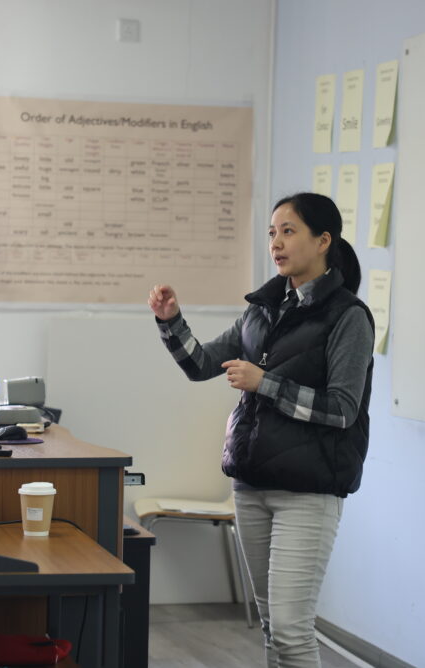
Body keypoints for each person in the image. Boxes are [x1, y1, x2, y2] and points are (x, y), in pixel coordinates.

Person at [148, 192, 375, 668]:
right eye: (272, 232)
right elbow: (202, 364)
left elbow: (342, 410)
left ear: (323, 241)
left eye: (289, 231)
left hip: (308, 491)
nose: (276, 242)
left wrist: (265, 383)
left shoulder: (348, 317)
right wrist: (171, 323)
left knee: (291, 629)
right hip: (252, 485)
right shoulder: (263, 309)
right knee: (273, 627)